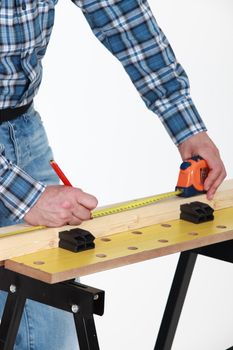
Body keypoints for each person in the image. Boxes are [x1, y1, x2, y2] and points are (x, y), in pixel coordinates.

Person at [0, 0, 226, 349]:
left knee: (46, 332)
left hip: (21, 125)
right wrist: (24, 195)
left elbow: (123, 13)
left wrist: (186, 125)